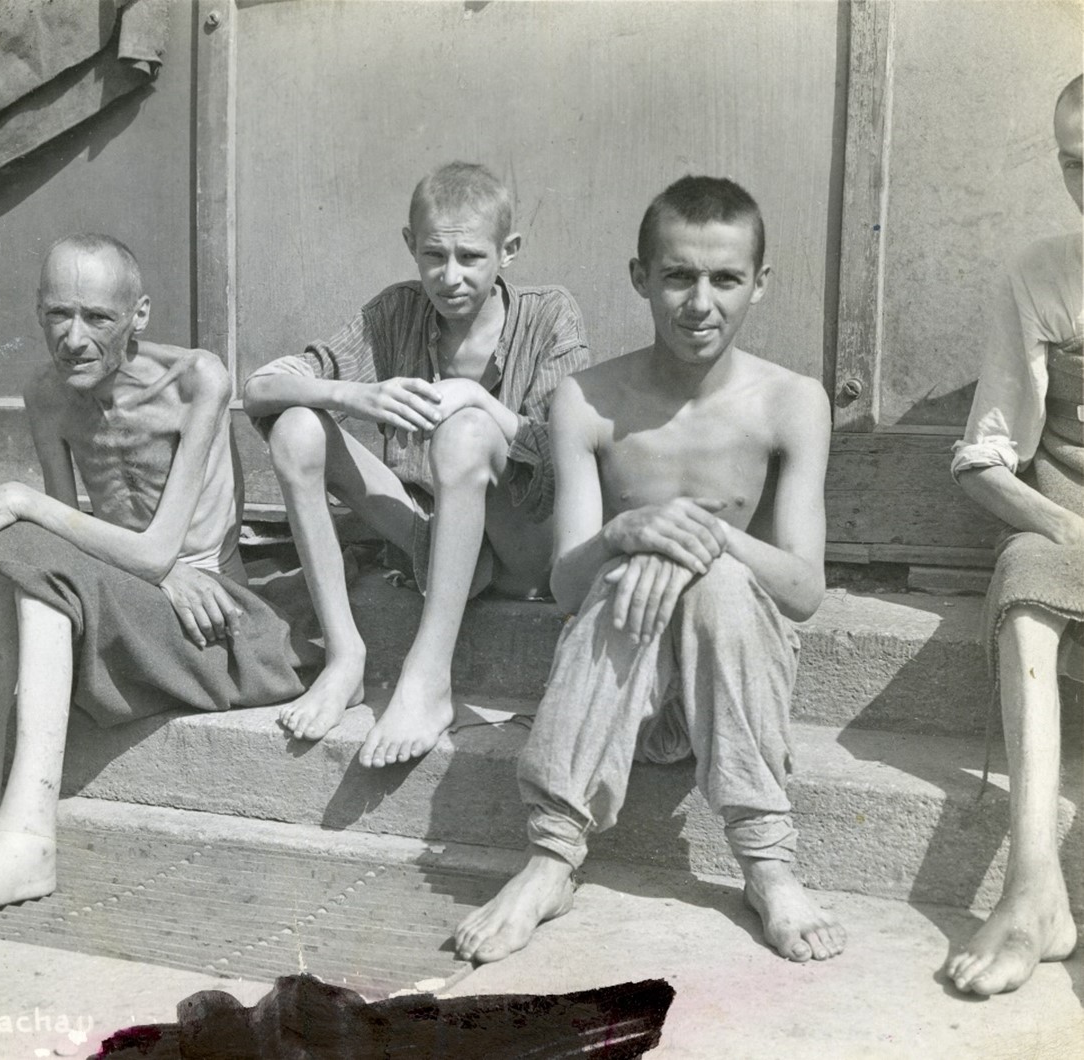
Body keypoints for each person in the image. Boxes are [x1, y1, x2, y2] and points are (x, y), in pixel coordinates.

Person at [455, 176, 847, 965]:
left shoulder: (791, 401)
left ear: (758, 285)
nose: (699, 303)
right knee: (620, 569)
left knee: (718, 577)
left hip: (732, 691)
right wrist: (628, 531)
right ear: (641, 278)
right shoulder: (588, 400)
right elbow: (565, 584)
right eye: (677, 276)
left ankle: (766, 863)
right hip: (615, 699)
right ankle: (551, 856)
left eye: (725, 279)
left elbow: (804, 591)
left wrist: (705, 539)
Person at [0, 234, 307, 920]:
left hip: (217, 617)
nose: (73, 338)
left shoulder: (197, 380)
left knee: (19, 524)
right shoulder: (45, 395)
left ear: (138, 316)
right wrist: (45, 523)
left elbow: (160, 548)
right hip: (143, 593)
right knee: (16, 544)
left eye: (98, 319)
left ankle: (25, 836)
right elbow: (64, 541)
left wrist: (19, 499)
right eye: (57, 315)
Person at [243, 161, 588, 768]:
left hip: (521, 547)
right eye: (433, 255)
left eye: (470, 258)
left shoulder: (551, 314)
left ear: (508, 251)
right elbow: (261, 389)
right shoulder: (395, 313)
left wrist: (480, 403)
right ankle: (346, 657)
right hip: (429, 539)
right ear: (410, 245)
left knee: (464, 430)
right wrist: (350, 395)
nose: (449, 277)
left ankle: (427, 679)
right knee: (297, 427)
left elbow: (564, 468)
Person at [944, 74, 1083, 996]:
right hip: (1075, 537)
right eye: (1074, 164)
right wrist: (1062, 522)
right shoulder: (1040, 273)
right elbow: (982, 457)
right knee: (1025, 567)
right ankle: (1033, 884)